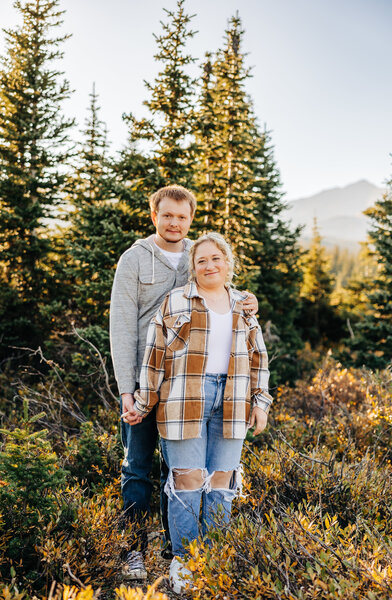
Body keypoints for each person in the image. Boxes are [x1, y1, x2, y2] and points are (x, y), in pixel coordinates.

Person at [109, 186, 258, 580]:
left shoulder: (198, 254)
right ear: (154, 215)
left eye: (182, 216)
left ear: (190, 218)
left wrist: (248, 300)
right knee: (138, 467)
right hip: (146, 382)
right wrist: (128, 389)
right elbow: (122, 326)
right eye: (167, 215)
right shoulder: (135, 260)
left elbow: (219, 287)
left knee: (183, 469)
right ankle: (133, 550)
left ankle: (174, 549)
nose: (175, 223)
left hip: (187, 386)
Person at [132, 232, 273, 593]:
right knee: (186, 481)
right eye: (201, 261)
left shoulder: (243, 304)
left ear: (228, 263)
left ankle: (214, 560)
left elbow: (259, 357)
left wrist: (261, 403)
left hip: (234, 398)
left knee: (222, 483)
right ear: (193, 268)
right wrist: (143, 402)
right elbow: (154, 356)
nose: (209, 265)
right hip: (183, 399)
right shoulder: (174, 302)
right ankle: (186, 561)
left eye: (216, 259)